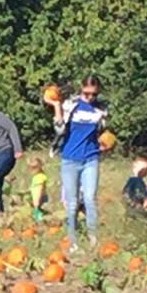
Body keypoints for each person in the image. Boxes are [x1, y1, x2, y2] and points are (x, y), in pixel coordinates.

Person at [45, 75, 107, 251]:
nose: (90, 98)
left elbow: (102, 131)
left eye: (93, 94)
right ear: (81, 90)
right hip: (70, 159)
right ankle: (73, 241)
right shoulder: (70, 106)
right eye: (87, 94)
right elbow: (59, 128)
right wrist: (56, 106)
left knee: (89, 199)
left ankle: (93, 238)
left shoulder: (101, 109)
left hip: (91, 158)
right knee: (72, 202)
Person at [122, 156, 147, 222]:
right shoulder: (134, 180)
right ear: (134, 169)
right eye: (142, 169)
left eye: (146, 169)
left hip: (138, 204)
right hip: (135, 204)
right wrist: (132, 202)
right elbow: (126, 192)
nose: (144, 171)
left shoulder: (141, 181)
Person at [28, 156, 49, 221]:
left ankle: (40, 223)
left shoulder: (39, 178)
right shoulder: (39, 175)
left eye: (33, 168)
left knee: (38, 215)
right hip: (38, 198)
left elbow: (40, 190)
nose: (30, 170)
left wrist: (36, 202)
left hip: (39, 199)